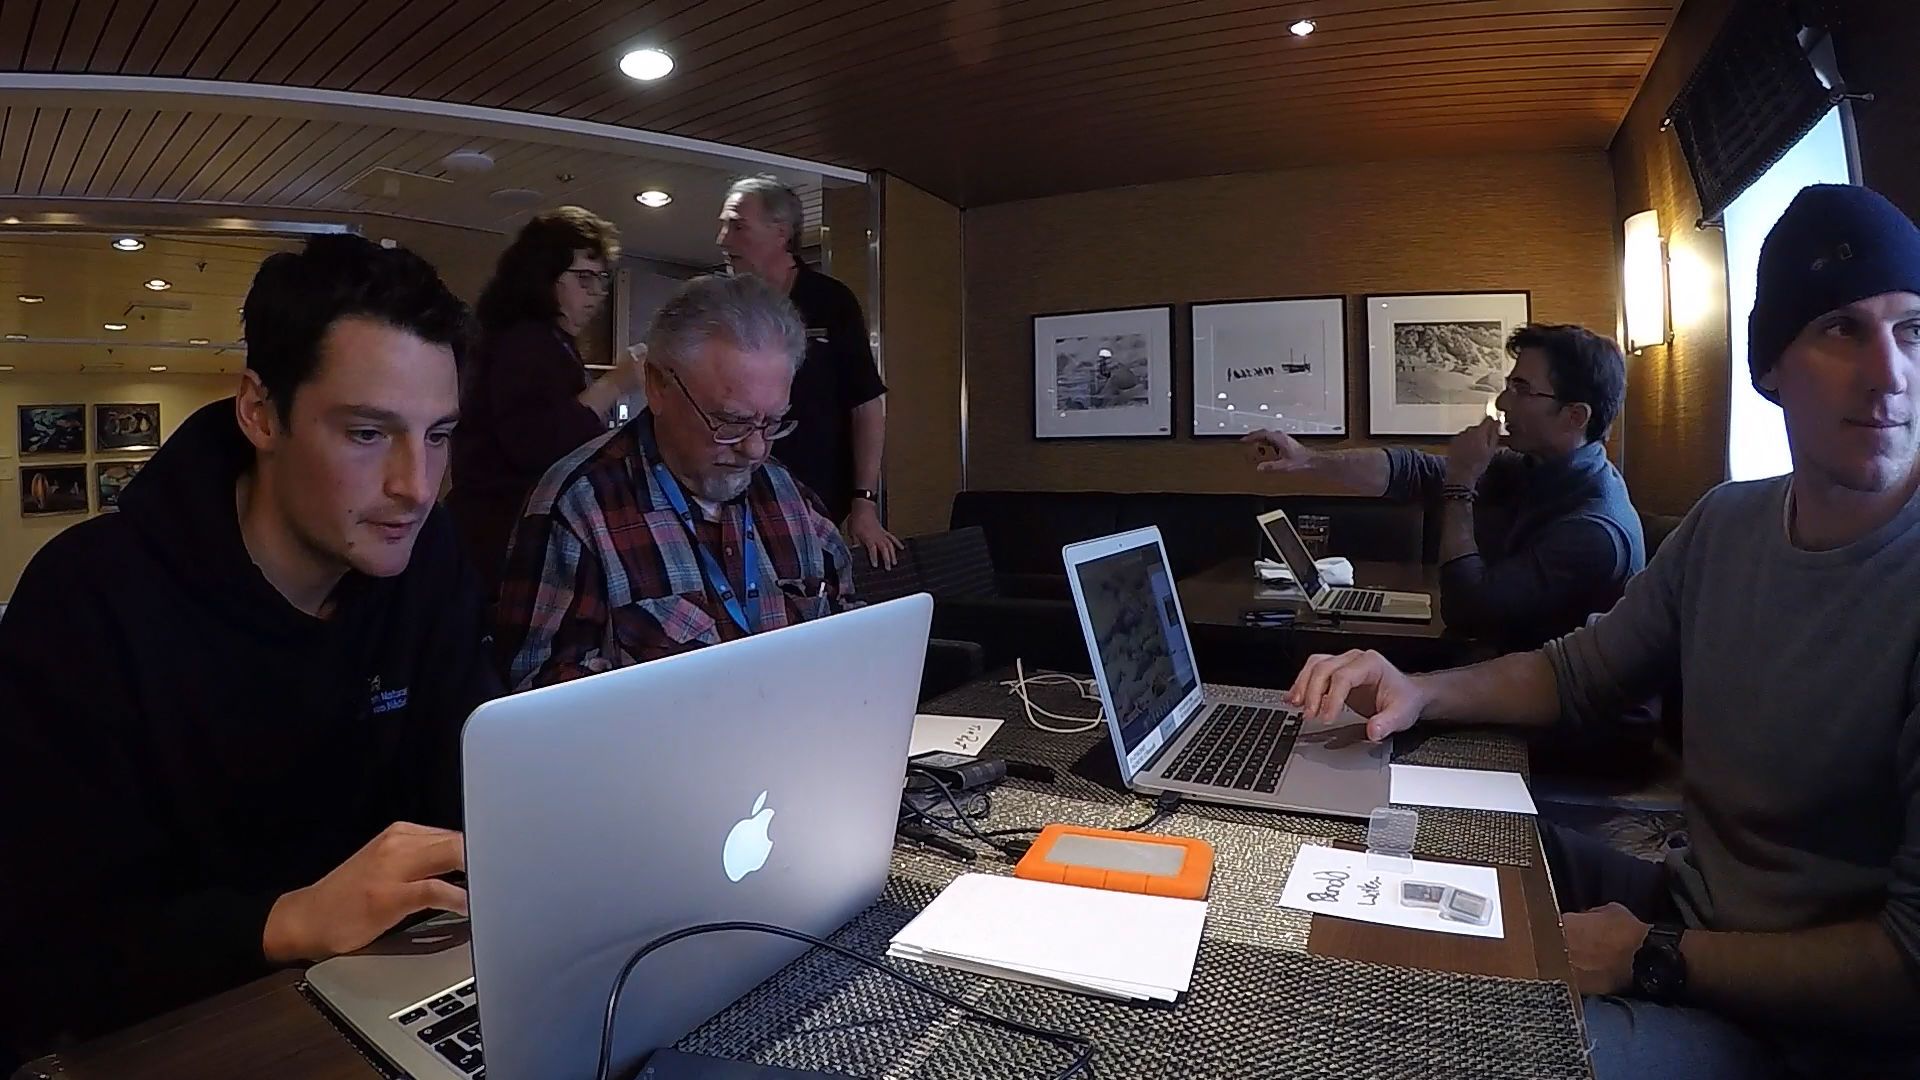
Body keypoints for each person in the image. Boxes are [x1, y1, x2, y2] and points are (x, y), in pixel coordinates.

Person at [1284, 185, 1920, 1079]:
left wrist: (1652, 956)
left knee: (1453, 1043)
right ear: (1772, 365)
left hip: (1812, 1026)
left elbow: (1909, 967)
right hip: (1693, 904)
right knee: (1407, 833)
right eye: (1842, 329)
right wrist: (1418, 689)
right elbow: (1577, 670)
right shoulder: (1727, 523)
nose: (1890, 374)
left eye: (1913, 331)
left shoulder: (1598, 520)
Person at [0, 235, 500, 1066]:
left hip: (392, 988)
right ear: (261, 412)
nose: (417, 485)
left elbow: (468, 789)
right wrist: (287, 919)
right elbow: (51, 945)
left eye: (439, 434)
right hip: (173, 1036)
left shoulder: (429, 559)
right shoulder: (88, 600)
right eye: (368, 433)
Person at [494, 273, 860, 691]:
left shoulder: (794, 501)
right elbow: (537, 701)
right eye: (731, 422)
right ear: (658, 386)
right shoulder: (578, 509)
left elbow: (851, 636)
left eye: (772, 422)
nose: (756, 450)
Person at [1246, 324, 1643, 652]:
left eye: (1522, 389)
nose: (1503, 401)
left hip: (1564, 719)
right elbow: (1414, 471)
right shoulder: (1532, 467)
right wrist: (1308, 459)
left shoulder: (1593, 530)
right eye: (1509, 385)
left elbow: (1469, 613)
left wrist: (1460, 487)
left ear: (1575, 416)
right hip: (1495, 674)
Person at [450, 206, 645, 594]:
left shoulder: (543, 340)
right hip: (498, 536)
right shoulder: (524, 341)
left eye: (601, 279)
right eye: (584, 278)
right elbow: (537, 445)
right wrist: (615, 383)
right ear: (543, 276)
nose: (597, 293)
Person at [717, 174, 902, 569]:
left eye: (737, 226)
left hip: (816, 502)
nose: (722, 239)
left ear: (780, 232)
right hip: (733, 498)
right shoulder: (722, 306)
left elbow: (866, 404)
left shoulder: (831, 301)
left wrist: (864, 502)